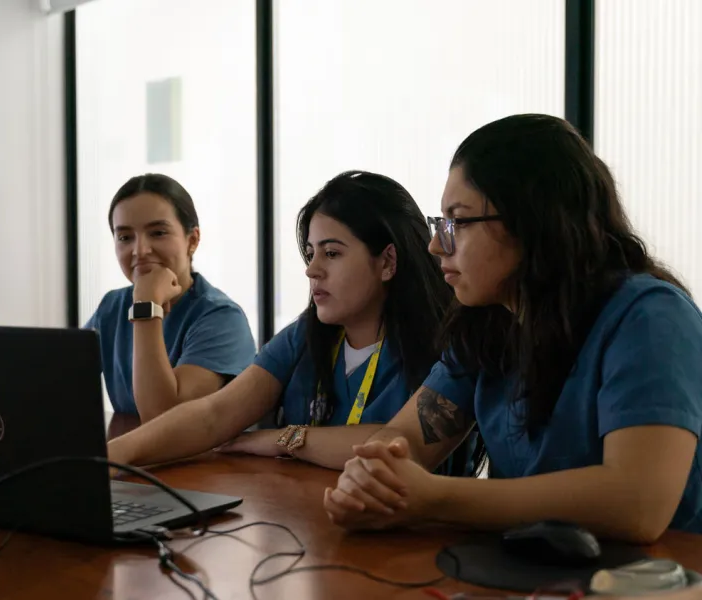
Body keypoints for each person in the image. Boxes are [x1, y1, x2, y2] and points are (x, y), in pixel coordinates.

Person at [323, 114, 702, 542]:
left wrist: (435, 497)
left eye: (458, 222)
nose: (435, 245)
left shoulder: (649, 317)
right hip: (531, 572)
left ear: (533, 222)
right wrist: (374, 475)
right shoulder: (489, 322)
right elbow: (407, 438)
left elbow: (637, 503)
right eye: (439, 223)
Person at [107, 170, 471, 472]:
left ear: (387, 262)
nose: (312, 270)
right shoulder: (305, 334)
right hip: (307, 523)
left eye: (332, 253)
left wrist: (284, 439)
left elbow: (393, 445)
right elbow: (214, 414)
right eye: (311, 254)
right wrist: (109, 459)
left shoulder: (447, 344)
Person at [85, 173, 256, 422]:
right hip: (132, 455)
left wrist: (146, 306)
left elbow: (162, 418)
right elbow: (56, 384)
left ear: (192, 240)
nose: (140, 250)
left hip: (204, 461)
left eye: (158, 233)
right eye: (124, 237)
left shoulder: (222, 318)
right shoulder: (112, 306)